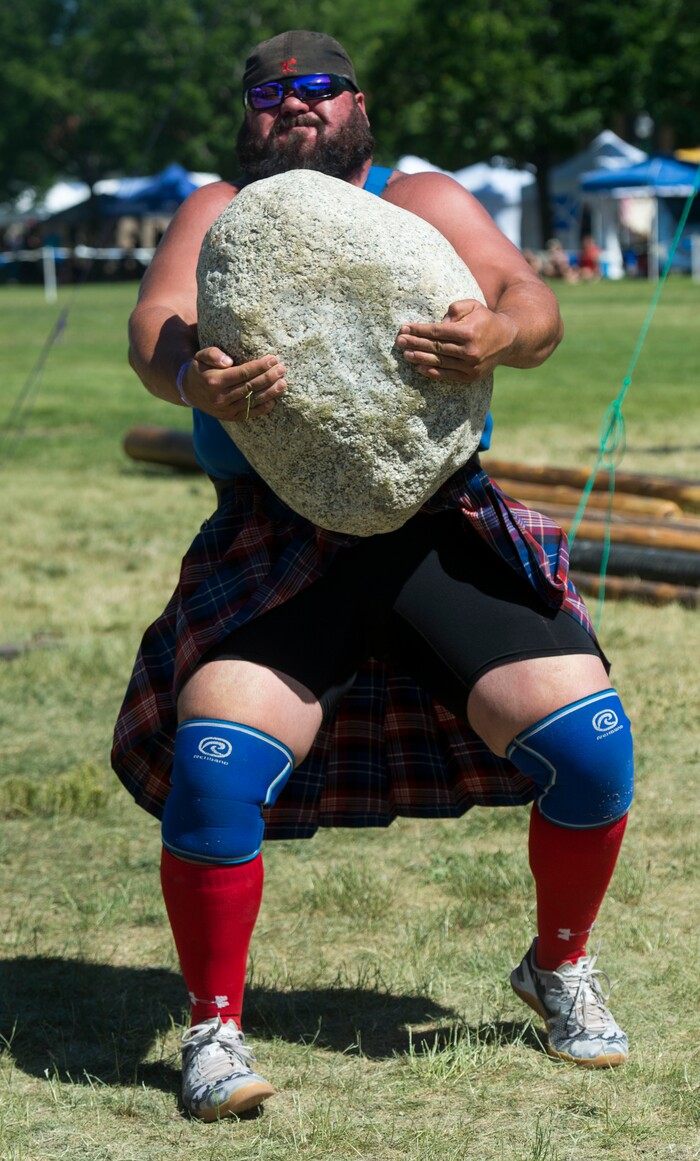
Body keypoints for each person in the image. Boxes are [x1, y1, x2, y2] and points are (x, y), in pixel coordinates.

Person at [113, 30, 634, 1121]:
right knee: (216, 765)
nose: (293, 106)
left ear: (357, 105)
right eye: (269, 94)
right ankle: (213, 1030)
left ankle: (557, 968)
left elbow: (528, 299)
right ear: (245, 116)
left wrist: (497, 334)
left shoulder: (424, 195)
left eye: (316, 88)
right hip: (277, 536)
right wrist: (188, 376)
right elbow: (152, 324)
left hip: (438, 525)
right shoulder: (217, 207)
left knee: (589, 750)